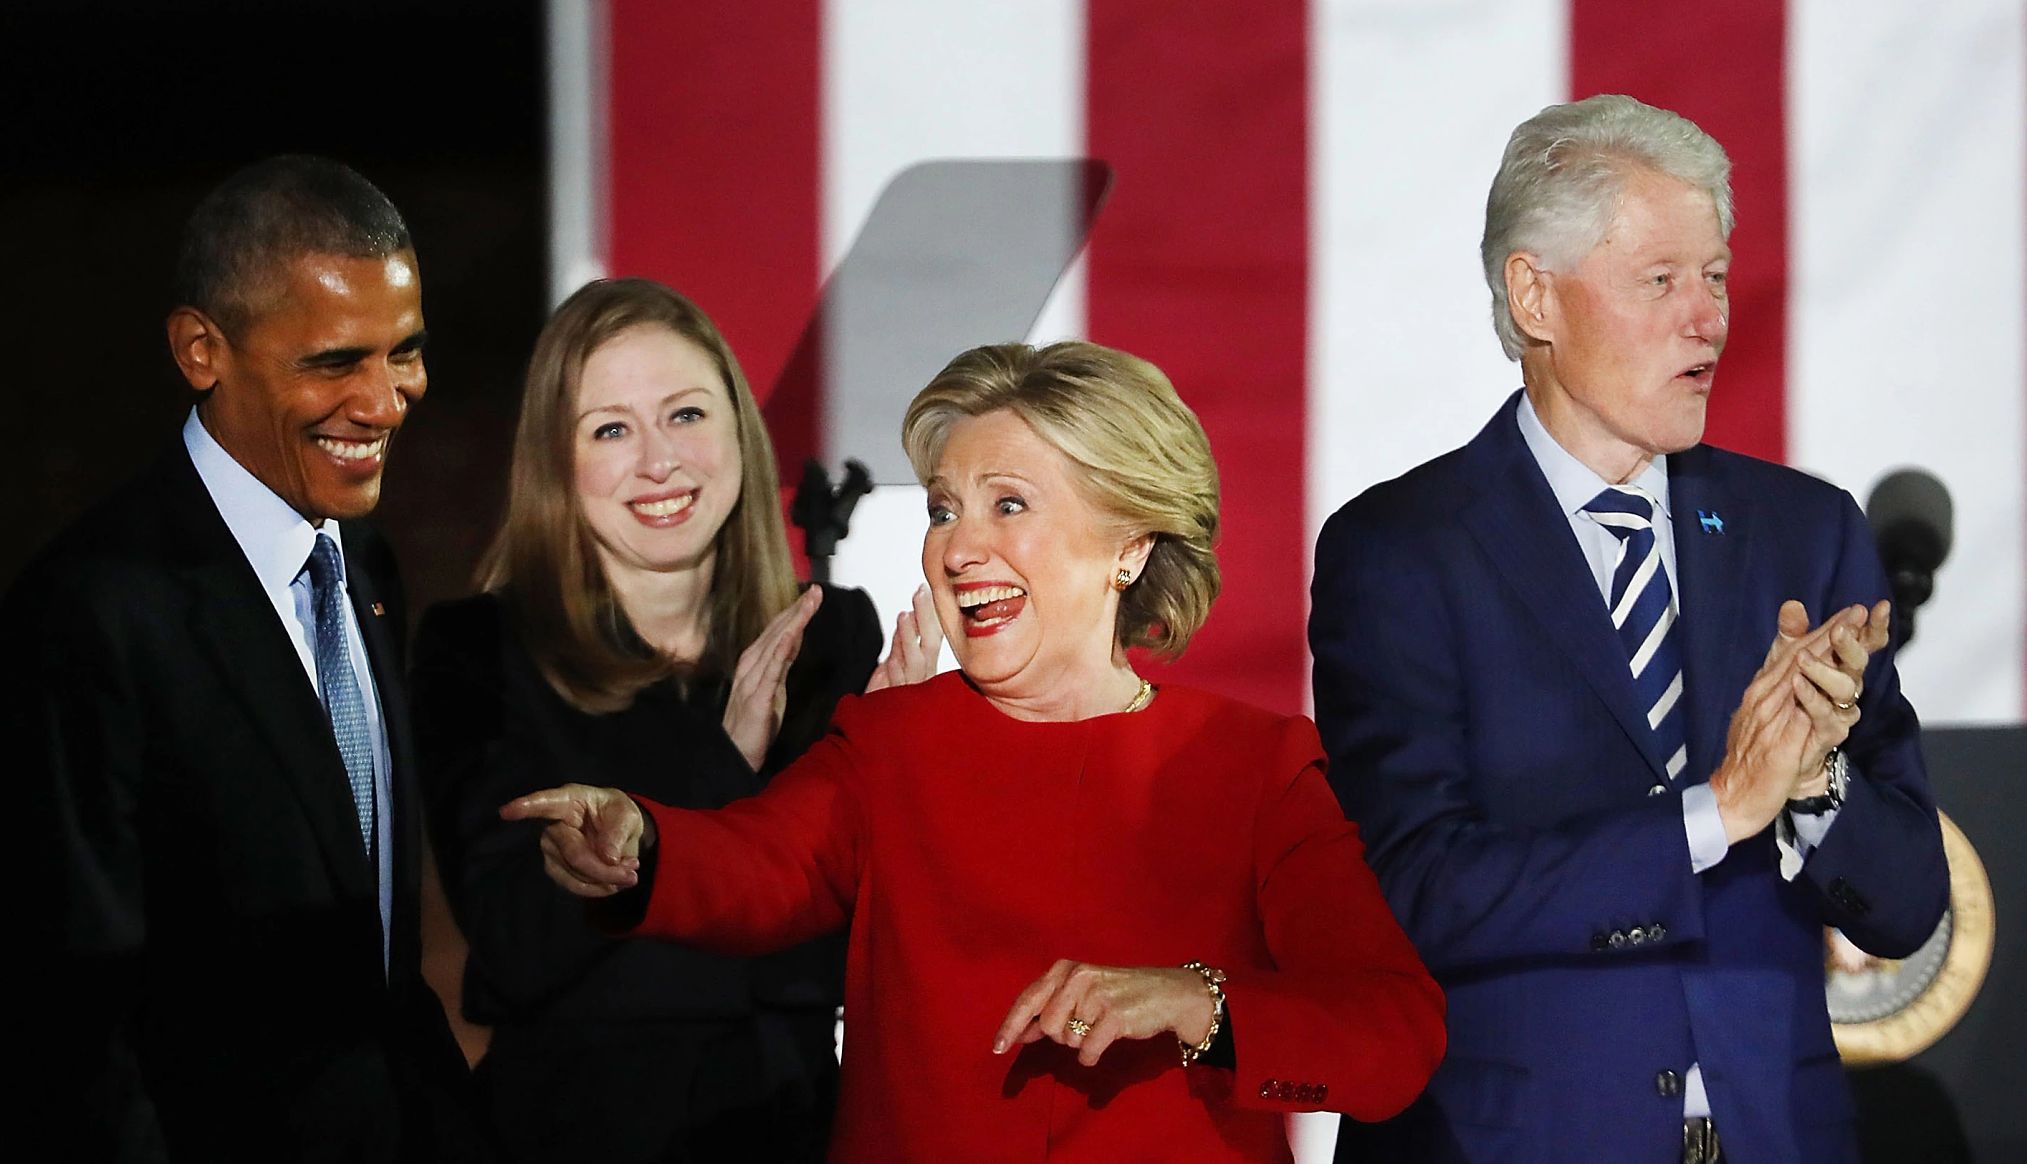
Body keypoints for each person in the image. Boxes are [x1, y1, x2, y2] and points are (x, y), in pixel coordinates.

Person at [501, 340, 1446, 1162]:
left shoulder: (1255, 764)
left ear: (1127, 545)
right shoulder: (889, 740)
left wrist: (1202, 1006)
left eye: (1008, 505)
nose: (958, 548)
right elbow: (758, 862)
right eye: (945, 510)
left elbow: (1392, 1036)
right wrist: (640, 843)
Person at [1309, 94, 1949, 1163]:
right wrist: (1717, 810)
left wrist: (1809, 787)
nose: (1706, 319)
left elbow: (1906, 907)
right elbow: (1412, 893)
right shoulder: (1401, 550)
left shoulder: (1800, 534)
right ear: (1534, 296)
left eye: (1712, 276)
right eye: (1659, 281)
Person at [4, 156, 481, 1161]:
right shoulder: (88, 613)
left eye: (405, 352)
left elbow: (376, 978)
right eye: (333, 362)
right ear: (200, 350)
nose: (387, 401)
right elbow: (65, 1027)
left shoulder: (363, 561)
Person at [408, 277, 941, 1162]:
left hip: (801, 1128)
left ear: (739, 429)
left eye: (686, 415)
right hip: (580, 1131)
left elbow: (861, 942)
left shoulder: (828, 633)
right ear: (556, 460)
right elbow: (515, 942)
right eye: (611, 429)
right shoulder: (480, 649)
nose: (660, 461)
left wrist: (902, 775)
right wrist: (717, 764)